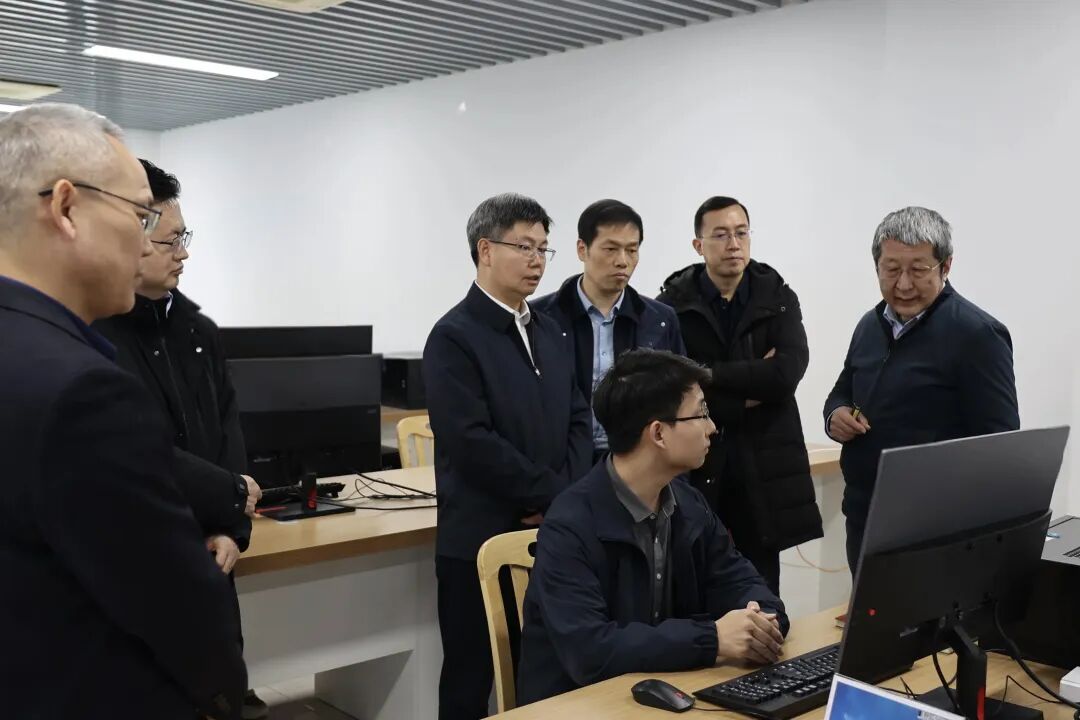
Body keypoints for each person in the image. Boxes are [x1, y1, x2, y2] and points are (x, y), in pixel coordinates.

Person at [0, 103, 245, 719]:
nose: (146, 244)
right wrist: (222, 691)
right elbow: (174, 602)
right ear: (65, 207)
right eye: (140, 217)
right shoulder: (82, 388)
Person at [92, 160, 267, 719]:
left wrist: (232, 526)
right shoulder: (93, 335)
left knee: (220, 691)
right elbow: (133, 454)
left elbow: (227, 432)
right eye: (171, 240)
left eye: (184, 239)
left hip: (212, 553)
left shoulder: (198, 332)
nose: (182, 254)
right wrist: (229, 496)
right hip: (143, 559)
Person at [516, 349, 788, 705]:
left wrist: (761, 621)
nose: (712, 427)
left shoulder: (688, 504)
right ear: (658, 433)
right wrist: (713, 638)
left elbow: (740, 581)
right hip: (577, 706)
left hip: (663, 692)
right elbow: (589, 652)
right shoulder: (569, 525)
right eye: (702, 413)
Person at [423, 192, 593, 719]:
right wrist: (552, 493)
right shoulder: (453, 336)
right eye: (524, 247)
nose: (537, 260)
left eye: (543, 248)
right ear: (485, 250)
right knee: (470, 679)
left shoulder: (551, 329)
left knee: (543, 674)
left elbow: (578, 417)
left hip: (551, 534)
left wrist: (563, 496)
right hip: (479, 535)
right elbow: (470, 442)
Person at [823, 206, 1019, 572]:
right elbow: (842, 390)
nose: (903, 284)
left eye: (918, 269)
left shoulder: (977, 335)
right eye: (891, 269)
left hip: (935, 531)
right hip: (865, 517)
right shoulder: (869, 325)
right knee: (872, 611)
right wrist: (835, 415)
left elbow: (998, 445)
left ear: (946, 267)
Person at [657, 196, 822, 595]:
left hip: (763, 463)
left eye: (741, 233)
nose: (734, 244)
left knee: (761, 588)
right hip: (698, 463)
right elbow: (671, 386)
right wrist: (744, 393)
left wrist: (709, 375)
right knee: (695, 580)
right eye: (721, 235)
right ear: (698, 245)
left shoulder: (777, 297)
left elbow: (784, 376)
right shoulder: (672, 306)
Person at [533, 199, 685, 463]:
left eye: (632, 250)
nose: (622, 261)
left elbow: (679, 400)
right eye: (611, 249)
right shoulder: (540, 318)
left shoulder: (660, 320)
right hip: (562, 463)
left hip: (638, 463)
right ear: (582, 249)